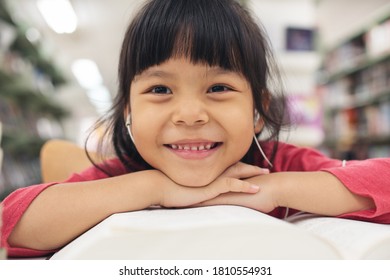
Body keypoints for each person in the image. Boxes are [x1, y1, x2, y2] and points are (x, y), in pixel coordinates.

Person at [1, 0, 390, 258]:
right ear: (127, 112)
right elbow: (14, 223)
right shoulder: (123, 173)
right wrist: (155, 188)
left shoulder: (276, 164)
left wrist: (271, 190)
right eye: (160, 89)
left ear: (258, 112)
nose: (189, 114)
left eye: (218, 88)